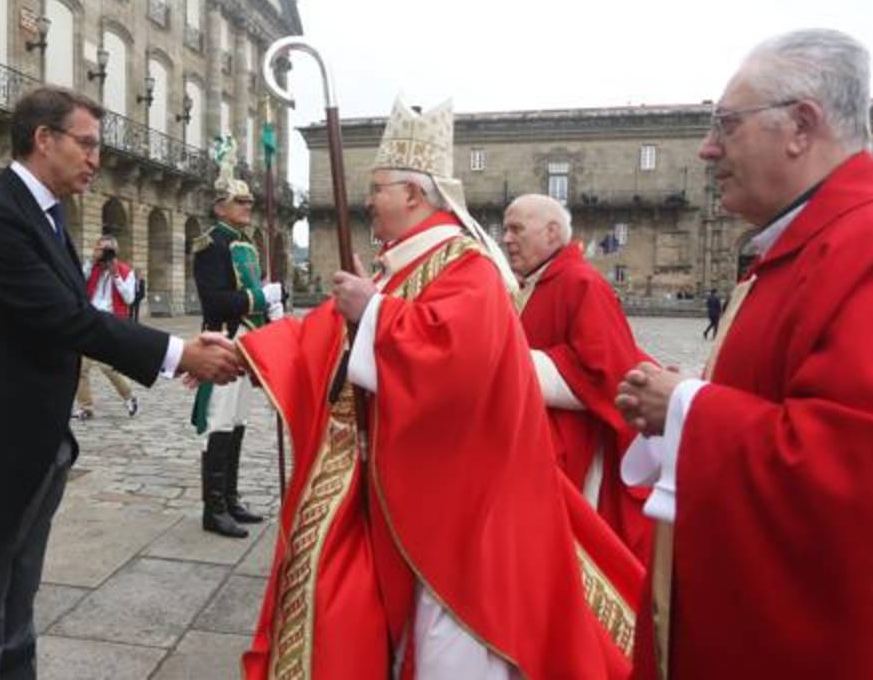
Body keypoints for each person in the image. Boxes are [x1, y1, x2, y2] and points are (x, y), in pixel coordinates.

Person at [615, 29, 873, 680]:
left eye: (726, 126)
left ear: (800, 126)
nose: (707, 149)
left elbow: (856, 472)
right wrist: (682, 404)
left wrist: (686, 407)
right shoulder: (814, 245)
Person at [239, 99, 642, 680]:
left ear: (413, 194)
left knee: (456, 644)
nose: (368, 201)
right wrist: (252, 353)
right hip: (419, 489)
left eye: (377, 189)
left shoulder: (467, 264)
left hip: (463, 503)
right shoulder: (405, 265)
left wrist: (372, 312)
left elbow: (458, 359)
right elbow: (333, 330)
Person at [0, 86, 242, 678]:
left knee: (16, 610)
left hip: (32, 444)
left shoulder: (44, 215)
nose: (95, 159)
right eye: (85, 144)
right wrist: (178, 353)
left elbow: (69, 315)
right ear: (44, 139)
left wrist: (178, 355)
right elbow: (64, 318)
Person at [501, 193, 653, 562]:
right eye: (505, 230)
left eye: (516, 229)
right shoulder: (534, 282)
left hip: (579, 448)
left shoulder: (580, 282)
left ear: (553, 233)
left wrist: (516, 364)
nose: (506, 239)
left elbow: (603, 370)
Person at [191, 143, 278, 538]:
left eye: (249, 201)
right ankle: (214, 508)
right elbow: (215, 300)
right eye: (239, 201)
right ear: (220, 207)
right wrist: (261, 298)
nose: (248, 206)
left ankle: (231, 497)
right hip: (224, 338)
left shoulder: (246, 241)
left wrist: (272, 307)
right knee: (220, 421)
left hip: (248, 340)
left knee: (238, 420)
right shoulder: (212, 244)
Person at [73, 235, 140, 420]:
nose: (104, 254)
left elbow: (129, 298)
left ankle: (130, 396)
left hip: (111, 322)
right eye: (101, 249)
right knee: (80, 368)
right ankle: (86, 407)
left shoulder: (126, 271)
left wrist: (115, 274)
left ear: (116, 252)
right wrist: (91, 261)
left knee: (107, 366)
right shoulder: (91, 268)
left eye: (108, 250)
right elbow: (76, 282)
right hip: (90, 319)